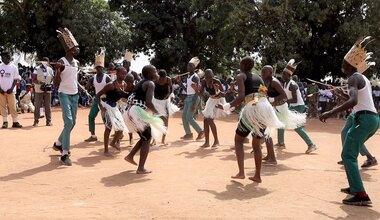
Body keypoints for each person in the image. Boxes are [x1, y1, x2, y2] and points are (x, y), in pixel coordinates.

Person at [320, 36, 379, 206]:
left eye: (343, 63)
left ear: (348, 65)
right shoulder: (361, 78)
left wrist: (330, 111)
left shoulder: (353, 78)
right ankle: (355, 188)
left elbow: (353, 101)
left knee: (348, 155)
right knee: (349, 153)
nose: (342, 66)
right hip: (370, 119)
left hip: (365, 118)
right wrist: (340, 95)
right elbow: (354, 98)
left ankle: (360, 194)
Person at [217, 57, 283, 183]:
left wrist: (225, 106)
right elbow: (265, 93)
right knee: (256, 144)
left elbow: (242, 97)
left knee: (238, 141)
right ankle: (257, 175)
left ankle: (241, 172)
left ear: (242, 65)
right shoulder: (259, 77)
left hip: (252, 109)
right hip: (264, 109)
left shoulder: (240, 76)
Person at [124, 65, 166, 174]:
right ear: (149, 74)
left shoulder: (140, 83)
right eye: (155, 71)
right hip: (136, 112)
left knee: (145, 137)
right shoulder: (150, 83)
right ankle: (141, 168)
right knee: (147, 137)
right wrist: (158, 113)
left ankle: (130, 156)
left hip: (131, 111)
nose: (157, 74)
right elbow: (148, 102)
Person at [261, 65, 306, 164]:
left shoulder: (275, 82)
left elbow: (284, 96)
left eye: (264, 72)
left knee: (267, 129)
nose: (262, 74)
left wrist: (272, 100)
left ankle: (272, 157)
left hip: (280, 108)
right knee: (268, 129)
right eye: (262, 72)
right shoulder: (269, 82)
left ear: (270, 72)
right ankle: (270, 154)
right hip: (276, 107)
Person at [52, 27, 80, 166]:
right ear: (70, 49)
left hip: (75, 94)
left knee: (72, 123)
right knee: (68, 122)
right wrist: (58, 70)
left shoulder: (77, 63)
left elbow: (74, 80)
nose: (77, 49)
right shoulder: (61, 61)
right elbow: (56, 83)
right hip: (64, 94)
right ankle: (64, 153)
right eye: (75, 47)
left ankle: (58, 143)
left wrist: (82, 90)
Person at [276, 59, 317, 154]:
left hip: (298, 107)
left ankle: (311, 145)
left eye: (283, 74)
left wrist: (283, 101)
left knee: (297, 127)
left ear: (288, 75)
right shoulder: (285, 83)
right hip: (293, 106)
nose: (282, 76)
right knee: (281, 122)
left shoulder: (292, 85)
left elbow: (294, 100)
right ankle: (281, 142)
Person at [96, 67, 129, 156]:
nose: (124, 75)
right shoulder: (110, 85)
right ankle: (106, 150)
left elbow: (121, 96)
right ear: (117, 74)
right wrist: (101, 107)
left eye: (125, 74)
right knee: (108, 127)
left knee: (121, 128)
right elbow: (98, 95)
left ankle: (113, 142)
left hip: (114, 106)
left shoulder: (124, 84)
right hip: (106, 105)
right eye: (122, 73)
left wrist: (122, 105)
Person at [85, 48, 111, 142]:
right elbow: (87, 87)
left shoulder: (107, 78)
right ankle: (93, 135)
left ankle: (108, 136)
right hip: (97, 99)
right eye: (97, 67)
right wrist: (86, 85)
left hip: (106, 100)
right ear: (95, 68)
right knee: (91, 116)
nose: (99, 69)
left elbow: (111, 88)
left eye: (100, 67)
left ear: (103, 68)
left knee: (106, 119)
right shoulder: (93, 78)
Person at [196, 69, 227, 148]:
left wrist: (217, 90)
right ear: (205, 77)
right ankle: (207, 142)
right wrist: (196, 90)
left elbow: (223, 95)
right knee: (205, 120)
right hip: (211, 100)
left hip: (218, 100)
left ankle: (216, 141)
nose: (208, 79)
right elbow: (201, 94)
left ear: (212, 76)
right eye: (206, 77)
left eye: (209, 77)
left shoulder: (216, 81)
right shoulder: (203, 82)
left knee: (209, 119)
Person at [176, 57, 204, 140]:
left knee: (189, 117)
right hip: (188, 97)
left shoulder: (195, 77)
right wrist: (179, 82)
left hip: (194, 98)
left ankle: (201, 132)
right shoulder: (189, 76)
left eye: (190, 66)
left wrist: (194, 103)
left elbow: (197, 91)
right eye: (188, 66)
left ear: (194, 67)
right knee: (184, 116)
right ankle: (188, 134)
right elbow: (186, 90)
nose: (188, 67)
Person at [152, 69, 179, 145]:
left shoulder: (168, 80)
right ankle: (154, 140)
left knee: (166, 120)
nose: (162, 80)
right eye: (161, 78)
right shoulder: (155, 81)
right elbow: (152, 91)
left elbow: (170, 90)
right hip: (156, 101)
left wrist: (169, 97)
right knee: (154, 120)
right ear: (158, 77)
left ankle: (163, 140)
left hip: (165, 101)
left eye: (163, 78)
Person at [0, 51, 22, 128]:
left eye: (3, 57)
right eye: (1, 57)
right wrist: (0, 89)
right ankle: (5, 122)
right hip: (1, 91)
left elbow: (15, 79)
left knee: (12, 106)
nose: (2, 59)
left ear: (8, 57)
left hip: (11, 91)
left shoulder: (14, 67)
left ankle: (15, 122)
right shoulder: (0, 66)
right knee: (2, 107)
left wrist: (11, 88)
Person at [33, 57, 54, 126]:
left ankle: (48, 121)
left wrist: (48, 83)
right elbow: (34, 78)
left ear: (48, 62)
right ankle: (36, 121)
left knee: (48, 105)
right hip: (39, 88)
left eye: (46, 62)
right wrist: (41, 82)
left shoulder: (50, 69)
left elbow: (52, 78)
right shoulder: (37, 68)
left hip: (48, 88)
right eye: (44, 61)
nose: (45, 63)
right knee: (37, 105)